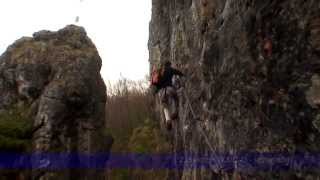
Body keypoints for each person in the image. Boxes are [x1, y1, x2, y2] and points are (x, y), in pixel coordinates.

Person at [151, 61, 184, 131]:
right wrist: (183, 75)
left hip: (162, 92)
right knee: (175, 99)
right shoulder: (170, 69)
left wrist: (156, 91)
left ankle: (168, 119)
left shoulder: (160, 72)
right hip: (169, 89)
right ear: (169, 65)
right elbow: (179, 72)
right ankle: (175, 112)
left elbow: (157, 85)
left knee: (165, 106)